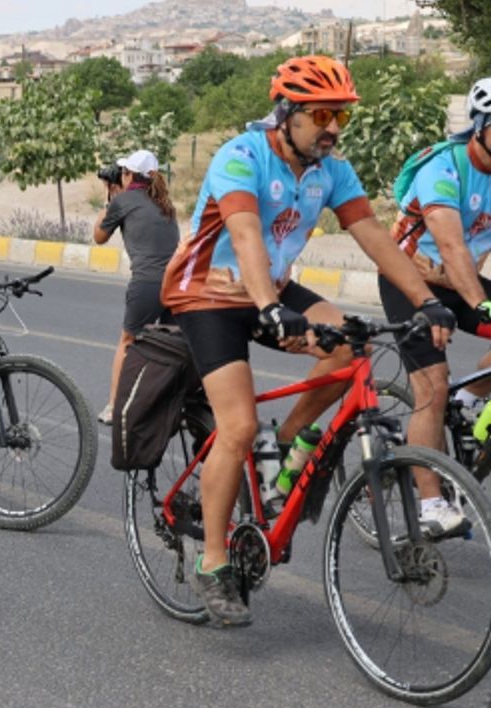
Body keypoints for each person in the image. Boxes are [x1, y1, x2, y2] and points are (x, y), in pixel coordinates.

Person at [161, 56, 456, 627]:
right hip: (208, 294)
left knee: (350, 344)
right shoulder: (240, 157)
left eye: (341, 116)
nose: (333, 127)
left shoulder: (331, 170)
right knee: (238, 426)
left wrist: (427, 299)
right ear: (286, 113)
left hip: (270, 287)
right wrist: (269, 310)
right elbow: (245, 235)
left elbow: (375, 237)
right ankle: (214, 561)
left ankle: (289, 442)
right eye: (322, 114)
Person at [380, 77, 491, 538]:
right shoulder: (442, 168)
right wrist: (483, 303)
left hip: (456, 279)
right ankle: (430, 505)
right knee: (432, 385)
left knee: (454, 391)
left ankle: (470, 399)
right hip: (409, 281)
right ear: (481, 126)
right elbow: (451, 246)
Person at [93, 149, 179, 425]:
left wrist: (111, 200)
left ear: (130, 175)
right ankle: (169, 406)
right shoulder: (165, 203)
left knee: (128, 342)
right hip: (175, 284)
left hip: (147, 283)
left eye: (124, 172)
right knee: (168, 346)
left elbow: (99, 237)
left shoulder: (124, 200)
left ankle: (114, 407)